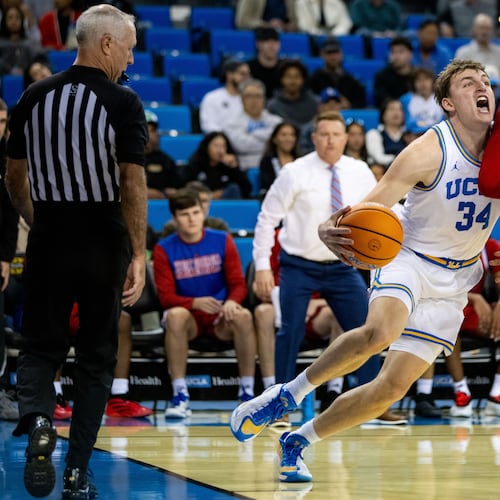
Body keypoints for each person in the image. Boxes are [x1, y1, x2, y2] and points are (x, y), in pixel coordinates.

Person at [230, 59, 500, 483]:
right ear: (448, 103)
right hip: (409, 257)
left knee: (391, 389)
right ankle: (288, 394)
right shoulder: (429, 149)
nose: (482, 87)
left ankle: (298, 440)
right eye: (469, 83)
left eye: (485, 81)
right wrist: (330, 225)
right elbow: (372, 206)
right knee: (380, 333)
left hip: (456, 279)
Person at [5, 5, 148, 498]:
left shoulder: (32, 95)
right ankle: (75, 473)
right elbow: (132, 181)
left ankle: (40, 418)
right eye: (128, 47)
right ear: (106, 44)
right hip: (103, 237)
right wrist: (139, 252)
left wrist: (35, 219)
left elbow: (13, 177)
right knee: (95, 357)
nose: (131, 57)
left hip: (49, 235)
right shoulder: (123, 101)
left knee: (39, 347)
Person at [251, 110, 381, 398]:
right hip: (298, 265)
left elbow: (381, 212)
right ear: (313, 138)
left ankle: (374, 399)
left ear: (346, 138)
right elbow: (267, 218)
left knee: (367, 330)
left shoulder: (360, 171)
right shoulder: (294, 171)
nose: (330, 140)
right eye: (324, 134)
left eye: (336, 134)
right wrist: (262, 266)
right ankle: (279, 401)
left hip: (343, 266)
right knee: (290, 331)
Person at [152, 189, 260, 418]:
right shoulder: (164, 249)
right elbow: (166, 298)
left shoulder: (221, 240)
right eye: (184, 214)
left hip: (222, 318)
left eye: (195, 212)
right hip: (190, 319)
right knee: (174, 315)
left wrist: (232, 301)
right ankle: (180, 395)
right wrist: (194, 303)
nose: (191, 219)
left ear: (203, 213)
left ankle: (247, 394)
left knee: (243, 316)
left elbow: (238, 283)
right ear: (174, 218)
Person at [0, 97, 19, 422]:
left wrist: (4, 258)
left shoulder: (7, 161)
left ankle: (2, 390)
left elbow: (9, 216)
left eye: (3, 121)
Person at [223, 78, 282, 171]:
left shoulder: (276, 121)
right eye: (249, 96)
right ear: (242, 99)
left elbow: (281, 144)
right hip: (245, 168)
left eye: (258, 96)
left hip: (275, 167)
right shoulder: (232, 122)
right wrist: (269, 138)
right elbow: (241, 146)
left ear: (264, 99)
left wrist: (253, 134)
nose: (254, 100)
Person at [183, 131, 252, 199]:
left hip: (225, 205)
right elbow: (185, 187)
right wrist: (210, 195)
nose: (220, 150)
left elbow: (247, 190)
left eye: (223, 146)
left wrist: (235, 168)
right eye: (216, 146)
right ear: (206, 147)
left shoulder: (229, 166)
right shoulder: (196, 163)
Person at [308, 37, 366, 109]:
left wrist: (348, 106)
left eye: (336, 52)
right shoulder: (313, 79)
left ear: (341, 54)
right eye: (329, 53)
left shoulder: (352, 81)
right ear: (322, 54)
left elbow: (360, 105)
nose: (333, 57)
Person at [161, 181, 229, 238]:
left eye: (204, 201)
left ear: (209, 203)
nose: (201, 205)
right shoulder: (171, 227)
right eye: (197, 201)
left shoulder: (218, 226)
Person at [199, 59, 250, 135]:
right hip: (221, 142)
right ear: (229, 75)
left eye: (248, 74)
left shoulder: (251, 99)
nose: (247, 78)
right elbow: (208, 125)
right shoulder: (212, 98)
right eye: (242, 74)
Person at [267, 59, 318, 129]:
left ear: (303, 80)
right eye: (288, 76)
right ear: (281, 79)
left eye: (297, 77)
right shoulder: (272, 106)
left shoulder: (314, 103)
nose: (293, 81)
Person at [143, 109, 182, 200]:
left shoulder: (166, 160)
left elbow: (178, 190)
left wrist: (163, 193)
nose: (148, 134)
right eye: (144, 129)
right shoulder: (121, 158)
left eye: (152, 130)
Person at [259, 121, 301, 197]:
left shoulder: (301, 160)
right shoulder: (267, 161)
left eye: (292, 135)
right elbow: (269, 186)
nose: (288, 139)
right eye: (283, 135)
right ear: (275, 139)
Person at [400, 66, 444, 135]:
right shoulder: (405, 100)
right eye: (418, 80)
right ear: (413, 83)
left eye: (426, 79)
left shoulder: (441, 98)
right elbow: (407, 124)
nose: (422, 83)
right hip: (414, 136)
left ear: (432, 81)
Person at [0, 4, 42, 75]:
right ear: (4, 20)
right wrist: (10, 70)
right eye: (10, 17)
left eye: (17, 18)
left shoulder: (28, 44)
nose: (14, 21)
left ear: (22, 21)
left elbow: (38, 60)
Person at [299, 86, 343, 154]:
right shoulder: (307, 130)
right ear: (320, 106)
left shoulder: (347, 128)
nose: (332, 106)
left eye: (336, 103)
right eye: (327, 103)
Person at [365, 98, 407, 170]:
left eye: (399, 109)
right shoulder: (374, 134)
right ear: (383, 114)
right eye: (391, 109)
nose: (396, 112)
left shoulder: (409, 134)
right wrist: (402, 161)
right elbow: (379, 158)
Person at [373, 36, 414, 108]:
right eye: (393, 52)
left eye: (401, 52)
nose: (396, 56)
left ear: (410, 55)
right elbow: (383, 100)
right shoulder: (382, 77)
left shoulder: (418, 76)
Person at [247, 27, 283, 100]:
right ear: (257, 44)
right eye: (266, 41)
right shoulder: (248, 68)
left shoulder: (285, 68)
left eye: (275, 41)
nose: (271, 45)